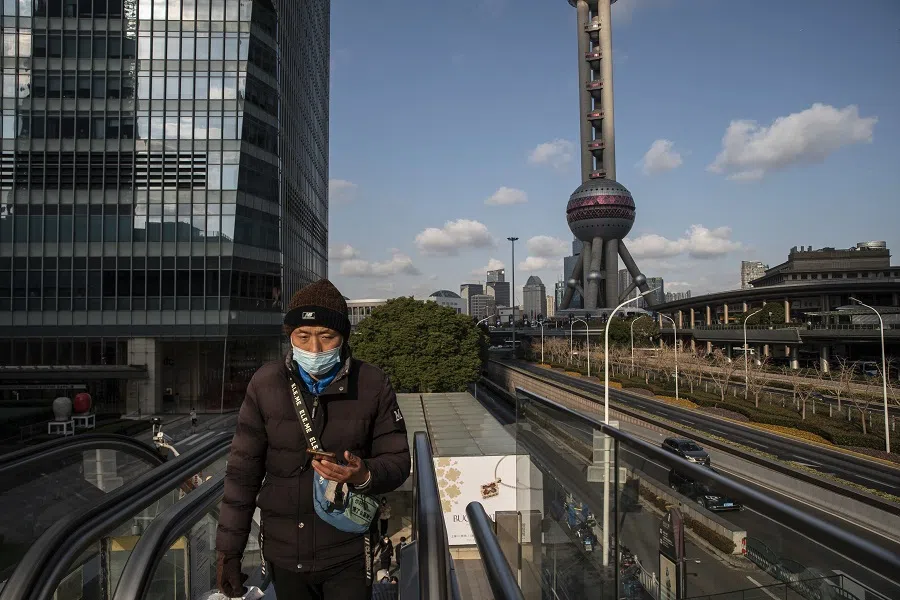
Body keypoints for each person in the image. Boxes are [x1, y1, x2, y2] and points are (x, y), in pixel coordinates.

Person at [215, 279, 411, 600]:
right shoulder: (265, 383)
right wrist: (228, 553)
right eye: (303, 336)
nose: (314, 349)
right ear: (290, 336)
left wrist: (364, 475)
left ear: (343, 337)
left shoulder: (372, 383)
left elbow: (398, 460)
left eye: (327, 336)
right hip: (283, 552)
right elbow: (241, 474)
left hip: (348, 550)